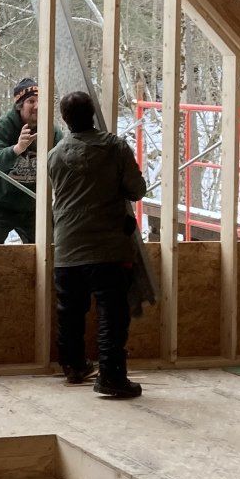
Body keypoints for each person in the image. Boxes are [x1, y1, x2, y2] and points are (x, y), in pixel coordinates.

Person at [46, 89, 146, 400]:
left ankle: (74, 367)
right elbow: (136, 190)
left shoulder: (55, 155)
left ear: (65, 119)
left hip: (67, 247)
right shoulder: (114, 148)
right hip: (107, 247)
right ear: (92, 114)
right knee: (112, 313)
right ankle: (112, 377)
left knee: (70, 311)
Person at [0, 78, 55, 243]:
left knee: (51, 249)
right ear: (19, 105)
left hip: (33, 205)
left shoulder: (51, 130)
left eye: (41, 101)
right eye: (31, 101)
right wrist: (17, 149)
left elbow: (62, 161)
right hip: (0, 202)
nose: (37, 106)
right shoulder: (1, 127)